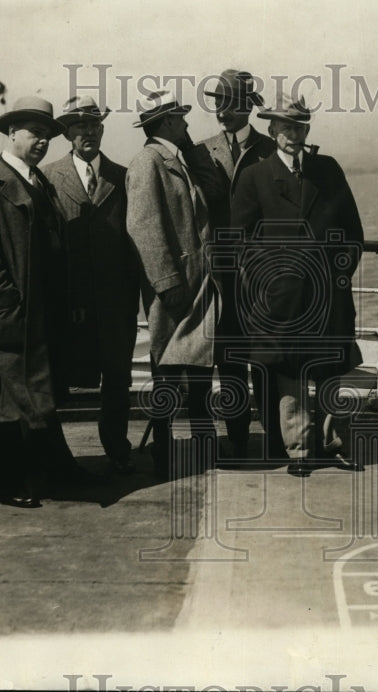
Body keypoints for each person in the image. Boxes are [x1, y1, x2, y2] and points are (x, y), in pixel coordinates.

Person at [0, 96, 91, 508]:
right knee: (7, 399)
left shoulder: (40, 183)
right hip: (12, 316)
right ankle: (8, 483)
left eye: (47, 134)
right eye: (34, 132)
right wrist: (7, 305)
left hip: (44, 313)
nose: (42, 141)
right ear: (12, 132)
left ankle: (53, 468)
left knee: (40, 392)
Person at [231, 92, 364, 477]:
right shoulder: (255, 176)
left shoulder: (328, 169)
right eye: (285, 127)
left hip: (330, 293)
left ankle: (331, 443)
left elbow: (353, 232)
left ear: (307, 130)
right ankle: (300, 450)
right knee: (290, 371)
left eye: (299, 126)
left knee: (330, 368)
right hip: (283, 298)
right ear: (272, 129)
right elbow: (239, 240)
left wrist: (339, 274)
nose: (292, 134)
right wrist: (270, 278)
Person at [125, 90, 222, 479]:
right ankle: (164, 454)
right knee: (167, 373)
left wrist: (190, 148)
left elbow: (211, 191)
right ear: (166, 123)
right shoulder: (147, 162)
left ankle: (203, 445)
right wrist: (167, 284)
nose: (186, 123)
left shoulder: (176, 158)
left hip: (197, 286)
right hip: (174, 289)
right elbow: (143, 228)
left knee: (198, 371)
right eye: (180, 119)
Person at [43, 96, 140, 474]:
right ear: (67, 133)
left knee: (117, 379)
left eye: (94, 125)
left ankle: (117, 448)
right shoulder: (48, 177)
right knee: (60, 376)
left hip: (116, 302)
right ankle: (57, 456)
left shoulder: (124, 176)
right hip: (69, 302)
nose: (88, 132)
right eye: (79, 126)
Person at [199, 70, 275, 462]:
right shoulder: (201, 152)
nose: (221, 112)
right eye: (217, 103)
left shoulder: (271, 149)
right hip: (217, 276)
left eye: (229, 104)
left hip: (261, 273)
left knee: (265, 357)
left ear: (246, 106)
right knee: (227, 358)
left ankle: (274, 439)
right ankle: (238, 439)